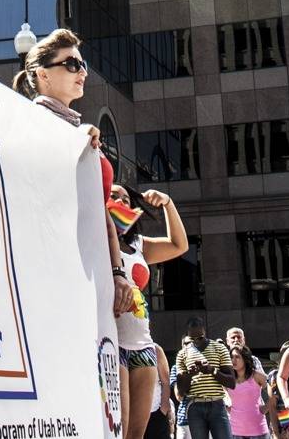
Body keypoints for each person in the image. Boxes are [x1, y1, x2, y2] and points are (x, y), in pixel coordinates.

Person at [12, 28, 136, 317]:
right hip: (55, 269)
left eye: (83, 64)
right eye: (71, 64)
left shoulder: (80, 130)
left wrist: (117, 272)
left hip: (94, 271)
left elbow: (101, 212)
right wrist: (71, 142)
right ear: (43, 74)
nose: (82, 71)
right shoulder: (30, 123)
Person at [110, 182, 189, 439]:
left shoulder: (139, 245)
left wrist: (168, 203)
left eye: (126, 199)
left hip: (143, 345)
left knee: (137, 432)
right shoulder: (96, 238)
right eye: (113, 196)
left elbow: (179, 245)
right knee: (119, 427)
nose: (121, 202)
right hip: (112, 343)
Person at [174, 316, 235, 439]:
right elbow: (181, 392)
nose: (197, 341)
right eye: (192, 338)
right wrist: (190, 375)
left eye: (200, 338)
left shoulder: (219, 348)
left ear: (204, 331)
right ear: (187, 335)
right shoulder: (182, 354)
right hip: (195, 406)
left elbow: (231, 382)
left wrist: (212, 371)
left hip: (217, 404)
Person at [228, 345, 268, 439]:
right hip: (235, 432)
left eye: (237, 357)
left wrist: (266, 408)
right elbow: (220, 396)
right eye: (231, 357)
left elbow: (273, 392)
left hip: (258, 430)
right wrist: (228, 408)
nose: (233, 360)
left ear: (245, 359)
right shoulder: (228, 379)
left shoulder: (257, 376)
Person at [145, 344, 173, 439]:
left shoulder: (155, 349)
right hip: (134, 414)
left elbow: (166, 382)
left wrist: (163, 410)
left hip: (156, 413)